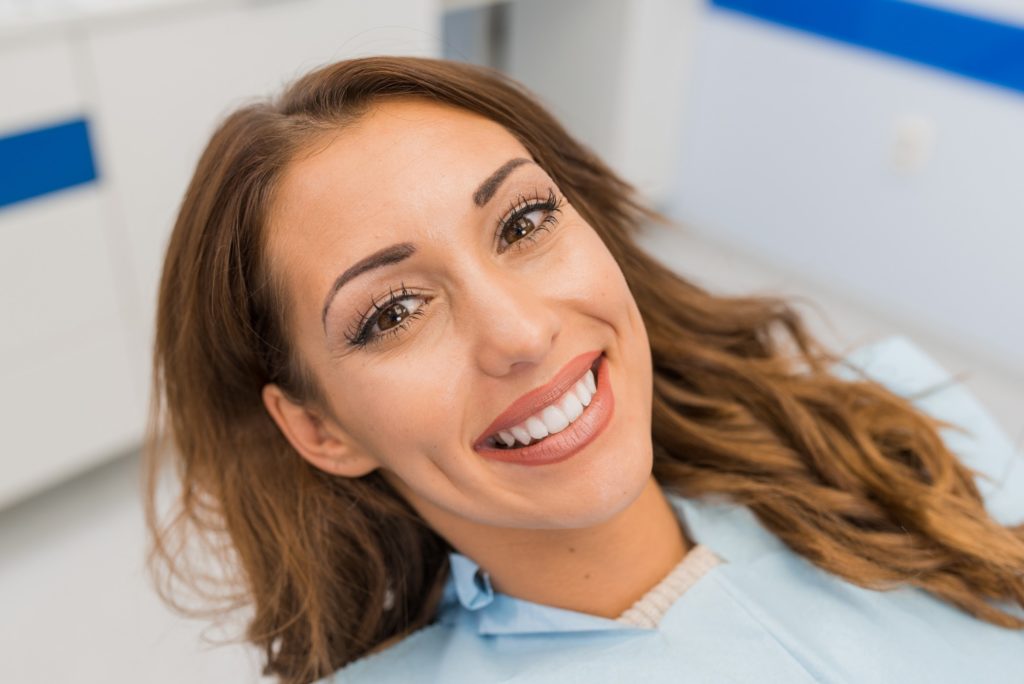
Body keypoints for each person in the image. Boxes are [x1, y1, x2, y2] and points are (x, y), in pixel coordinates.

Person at [145, 56, 1024, 684]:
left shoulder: (893, 422)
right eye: (394, 313)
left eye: (523, 224)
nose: (520, 333)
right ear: (319, 428)